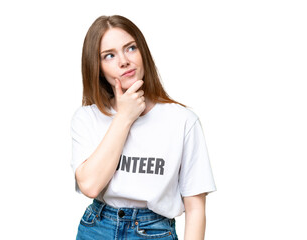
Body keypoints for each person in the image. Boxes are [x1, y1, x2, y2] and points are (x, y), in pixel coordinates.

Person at [70, 15, 216, 240]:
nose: (123, 61)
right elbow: (90, 185)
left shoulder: (183, 121)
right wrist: (125, 117)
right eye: (109, 55)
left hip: (154, 231)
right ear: (98, 68)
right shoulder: (87, 117)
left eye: (130, 48)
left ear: (143, 53)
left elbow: (196, 209)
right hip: (97, 228)